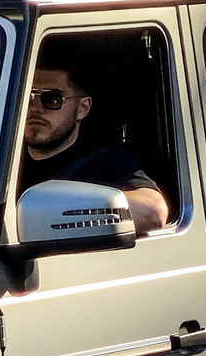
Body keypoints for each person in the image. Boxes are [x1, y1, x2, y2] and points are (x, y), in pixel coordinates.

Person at [17, 63, 171, 233]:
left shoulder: (106, 162)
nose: (35, 108)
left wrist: (62, 211)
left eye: (52, 99)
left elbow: (153, 210)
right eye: (28, 97)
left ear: (83, 108)